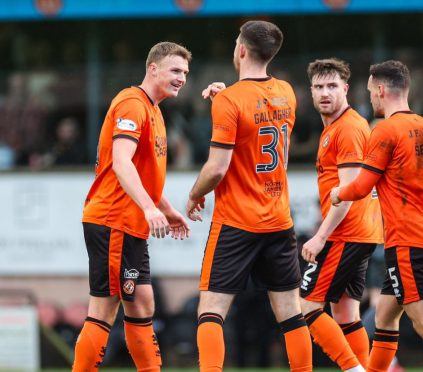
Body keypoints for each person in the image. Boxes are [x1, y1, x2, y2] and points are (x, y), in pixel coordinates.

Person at [184, 20, 312, 372]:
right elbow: (258, 117)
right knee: (290, 312)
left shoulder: (229, 101)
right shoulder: (287, 92)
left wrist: (194, 194)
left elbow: (216, 169)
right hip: (278, 219)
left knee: (210, 310)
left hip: (237, 222)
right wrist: (226, 97)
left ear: (241, 50)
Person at [330, 60, 423, 370]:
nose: (371, 97)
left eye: (371, 91)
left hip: (406, 242)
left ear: (382, 90)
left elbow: (360, 186)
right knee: (386, 318)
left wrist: (338, 193)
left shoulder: (385, 131)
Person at [75, 41, 192, 371]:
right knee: (104, 309)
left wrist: (165, 208)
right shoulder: (132, 103)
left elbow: (143, 173)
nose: (181, 77)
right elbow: (122, 163)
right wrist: (149, 208)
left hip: (128, 223)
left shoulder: (153, 109)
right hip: (114, 219)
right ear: (152, 68)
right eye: (175, 70)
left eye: (184, 72)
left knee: (142, 303)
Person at [299, 58, 383, 371]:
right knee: (346, 313)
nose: (325, 92)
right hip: (363, 231)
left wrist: (320, 236)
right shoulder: (340, 126)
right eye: (319, 86)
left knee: (306, 306)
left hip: (346, 231)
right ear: (311, 91)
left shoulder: (347, 129)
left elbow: (347, 192)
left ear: (345, 89)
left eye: (332, 86)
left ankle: (354, 370)